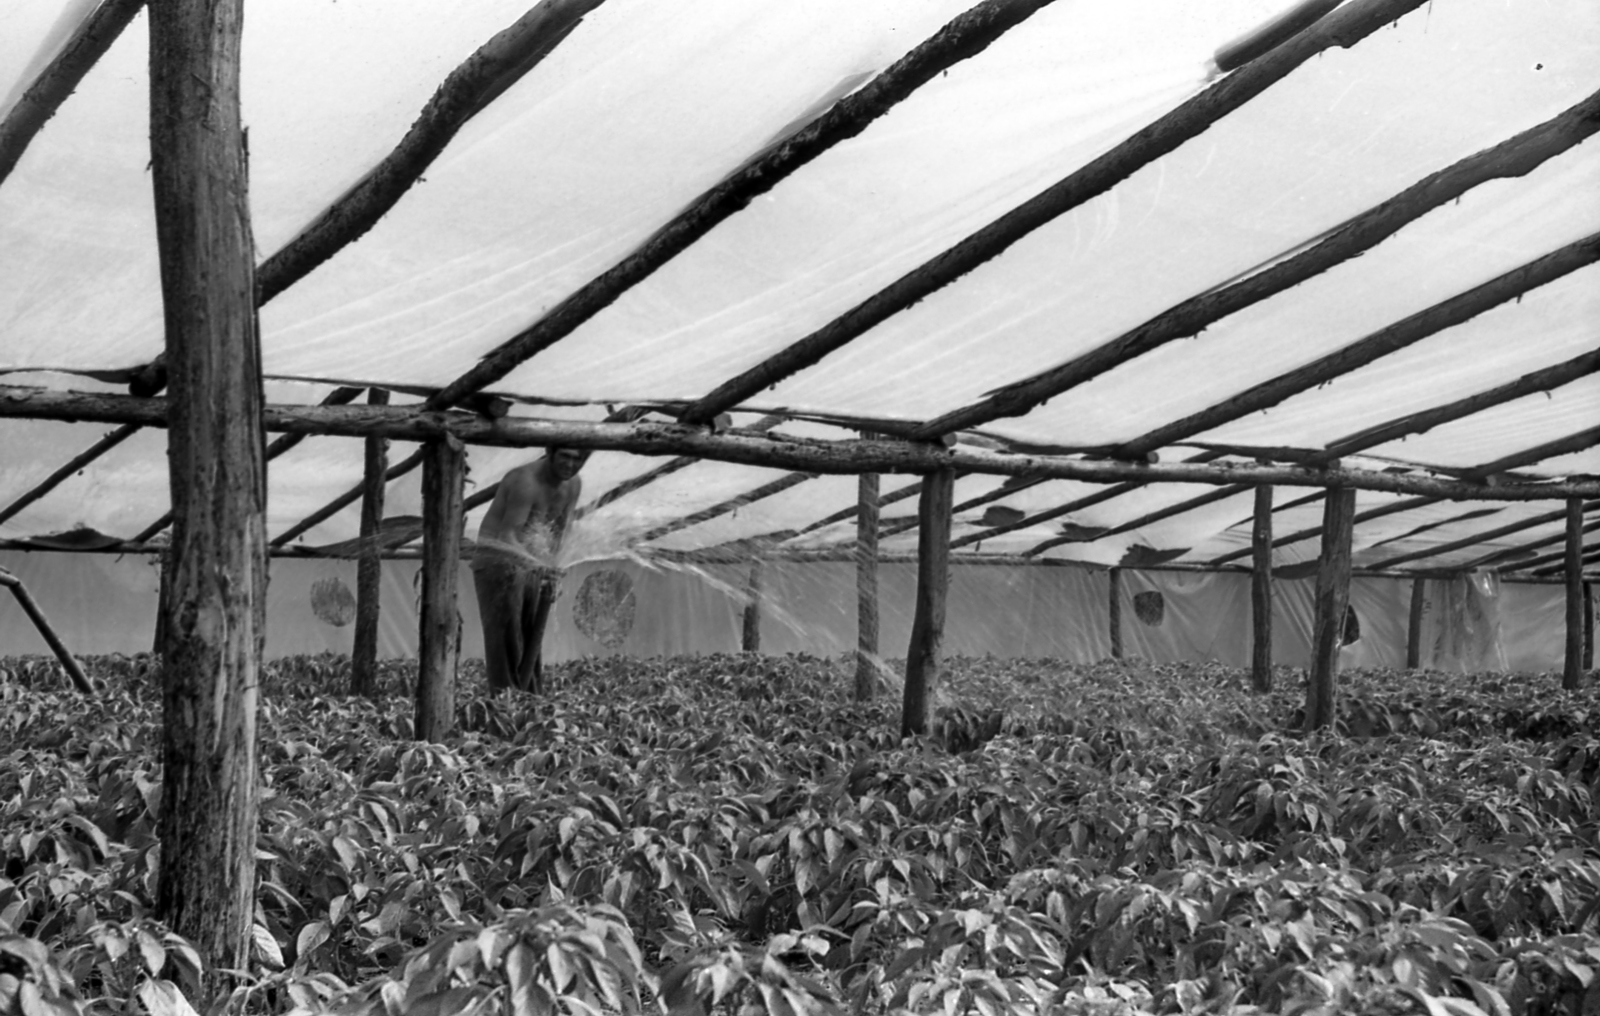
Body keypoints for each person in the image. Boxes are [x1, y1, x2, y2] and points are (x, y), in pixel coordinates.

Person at [472, 446, 586, 693]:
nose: (570, 464)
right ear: (549, 452)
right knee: (507, 642)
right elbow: (508, 535)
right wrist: (540, 567)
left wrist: (553, 567)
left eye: (578, 459)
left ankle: (530, 706)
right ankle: (504, 710)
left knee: (531, 636)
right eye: (565, 455)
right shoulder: (525, 481)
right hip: (497, 562)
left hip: (534, 564)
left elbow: (563, 528)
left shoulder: (574, 484)